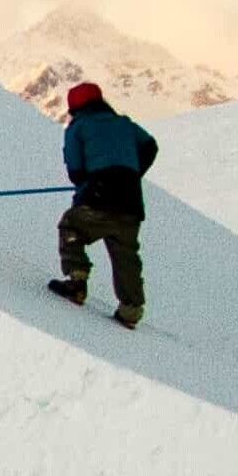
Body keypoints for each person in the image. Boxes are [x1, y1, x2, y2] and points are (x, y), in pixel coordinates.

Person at [44, 81, 160, 329]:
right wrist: (131, 171)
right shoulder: (124, 124)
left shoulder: (79, 127)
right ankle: (131, 309)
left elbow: (75, 169)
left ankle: (77, 282)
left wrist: (87, 182)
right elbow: (150, 146)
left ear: (75, 109)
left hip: (99, 195)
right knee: (125, 252)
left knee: (72, 226)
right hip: (130, 200)